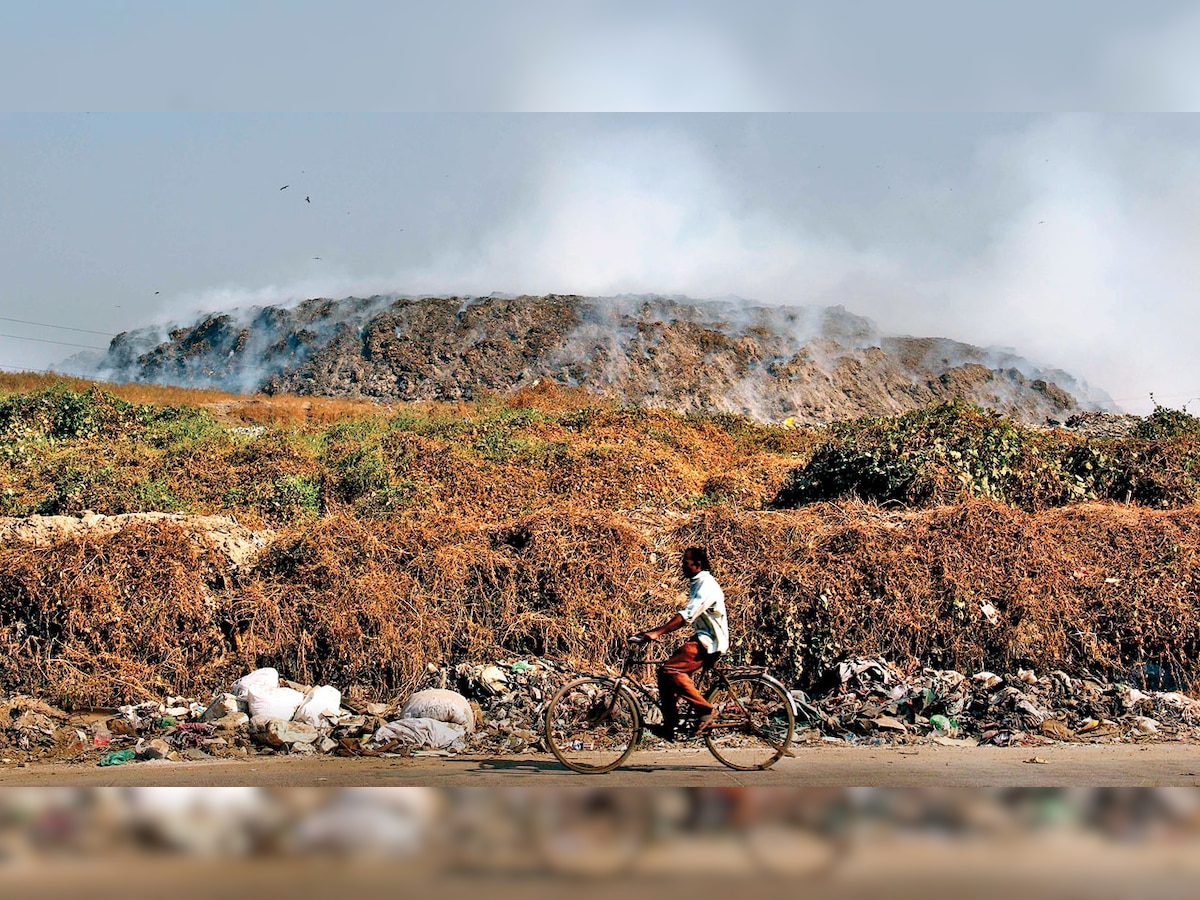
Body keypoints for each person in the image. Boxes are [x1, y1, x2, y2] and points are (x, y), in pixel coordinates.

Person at [634, 546, 729, 741]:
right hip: (702, 638)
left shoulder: (707, 585)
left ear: (697, 564)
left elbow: (687, 615)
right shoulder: (697, 582)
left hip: (710, 641)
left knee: (672, 670)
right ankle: (671, 725)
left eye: (685, 563)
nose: (682, 566)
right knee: (664, 673)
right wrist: (649, 633)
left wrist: (658, 632)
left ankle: (706, 710)